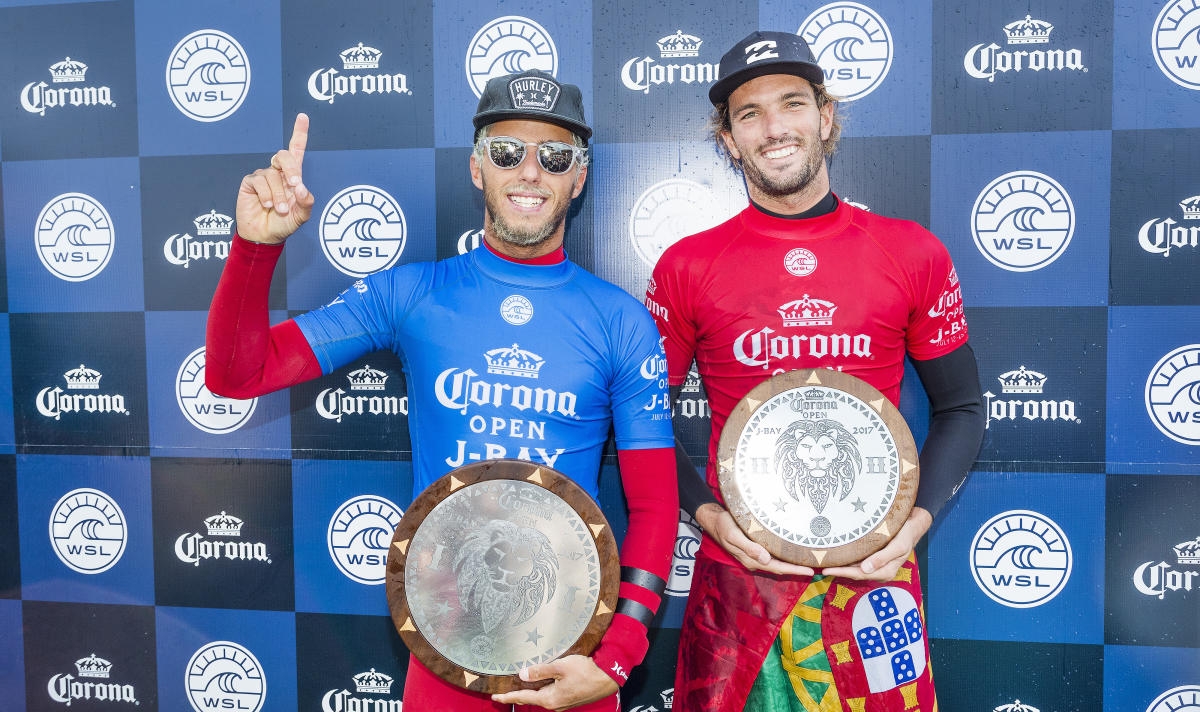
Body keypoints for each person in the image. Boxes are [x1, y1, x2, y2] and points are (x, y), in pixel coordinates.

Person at [205, 69, 678, 712]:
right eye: (508, 152)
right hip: (447, 652)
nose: (531, 173)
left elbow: (654, 510)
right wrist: (254, 250)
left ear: (580, 176)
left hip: (576, 663)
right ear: (478, 168)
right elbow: (237, 375)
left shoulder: (621, 321)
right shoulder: (411, 294)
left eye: (555, 156)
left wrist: (618, 660)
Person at [645, 31, 985, 711]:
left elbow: (963, 410)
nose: (774, 127)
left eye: (792, 103)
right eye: (749, 114)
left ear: (826, 117)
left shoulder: (910, 252)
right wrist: (710, 518)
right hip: (741, 585)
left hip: (874, 584)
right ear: (729, 140)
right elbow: (641, 423)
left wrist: (910, 530)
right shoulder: (687, 266)